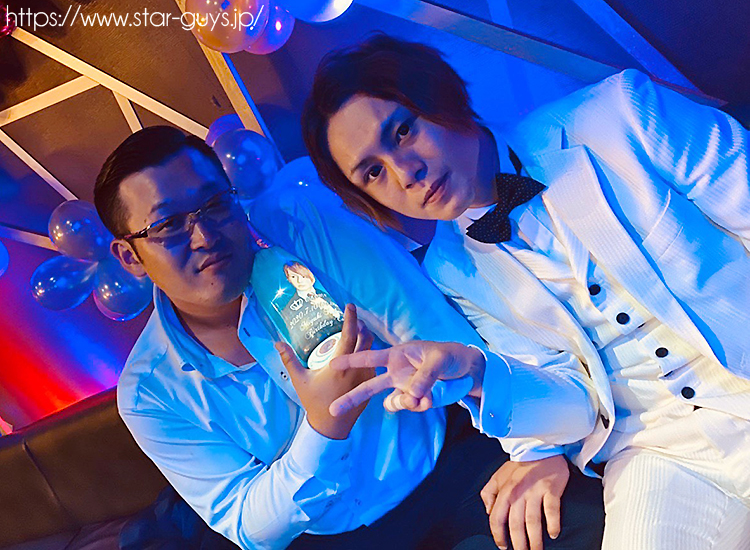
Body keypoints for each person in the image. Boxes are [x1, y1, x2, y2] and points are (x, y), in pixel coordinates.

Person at [301, 33, 750, 550]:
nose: (406, 173)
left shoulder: (618, 114)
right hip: (660, 448)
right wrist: (478, 373)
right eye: (373, 172)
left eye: (403, 131)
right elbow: (577, 406)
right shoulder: (450, 271)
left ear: (438, 94)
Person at [95, 126, 603, 550]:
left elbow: (441, 336)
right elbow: (247, 523)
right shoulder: (149, 392)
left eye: (213, 204)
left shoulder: (304, 226)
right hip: (327, 534)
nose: (205, 235)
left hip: (443, 461)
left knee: (579, 522)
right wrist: (323, 426)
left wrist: (533, 448)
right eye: (168, 225)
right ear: (129, 256)